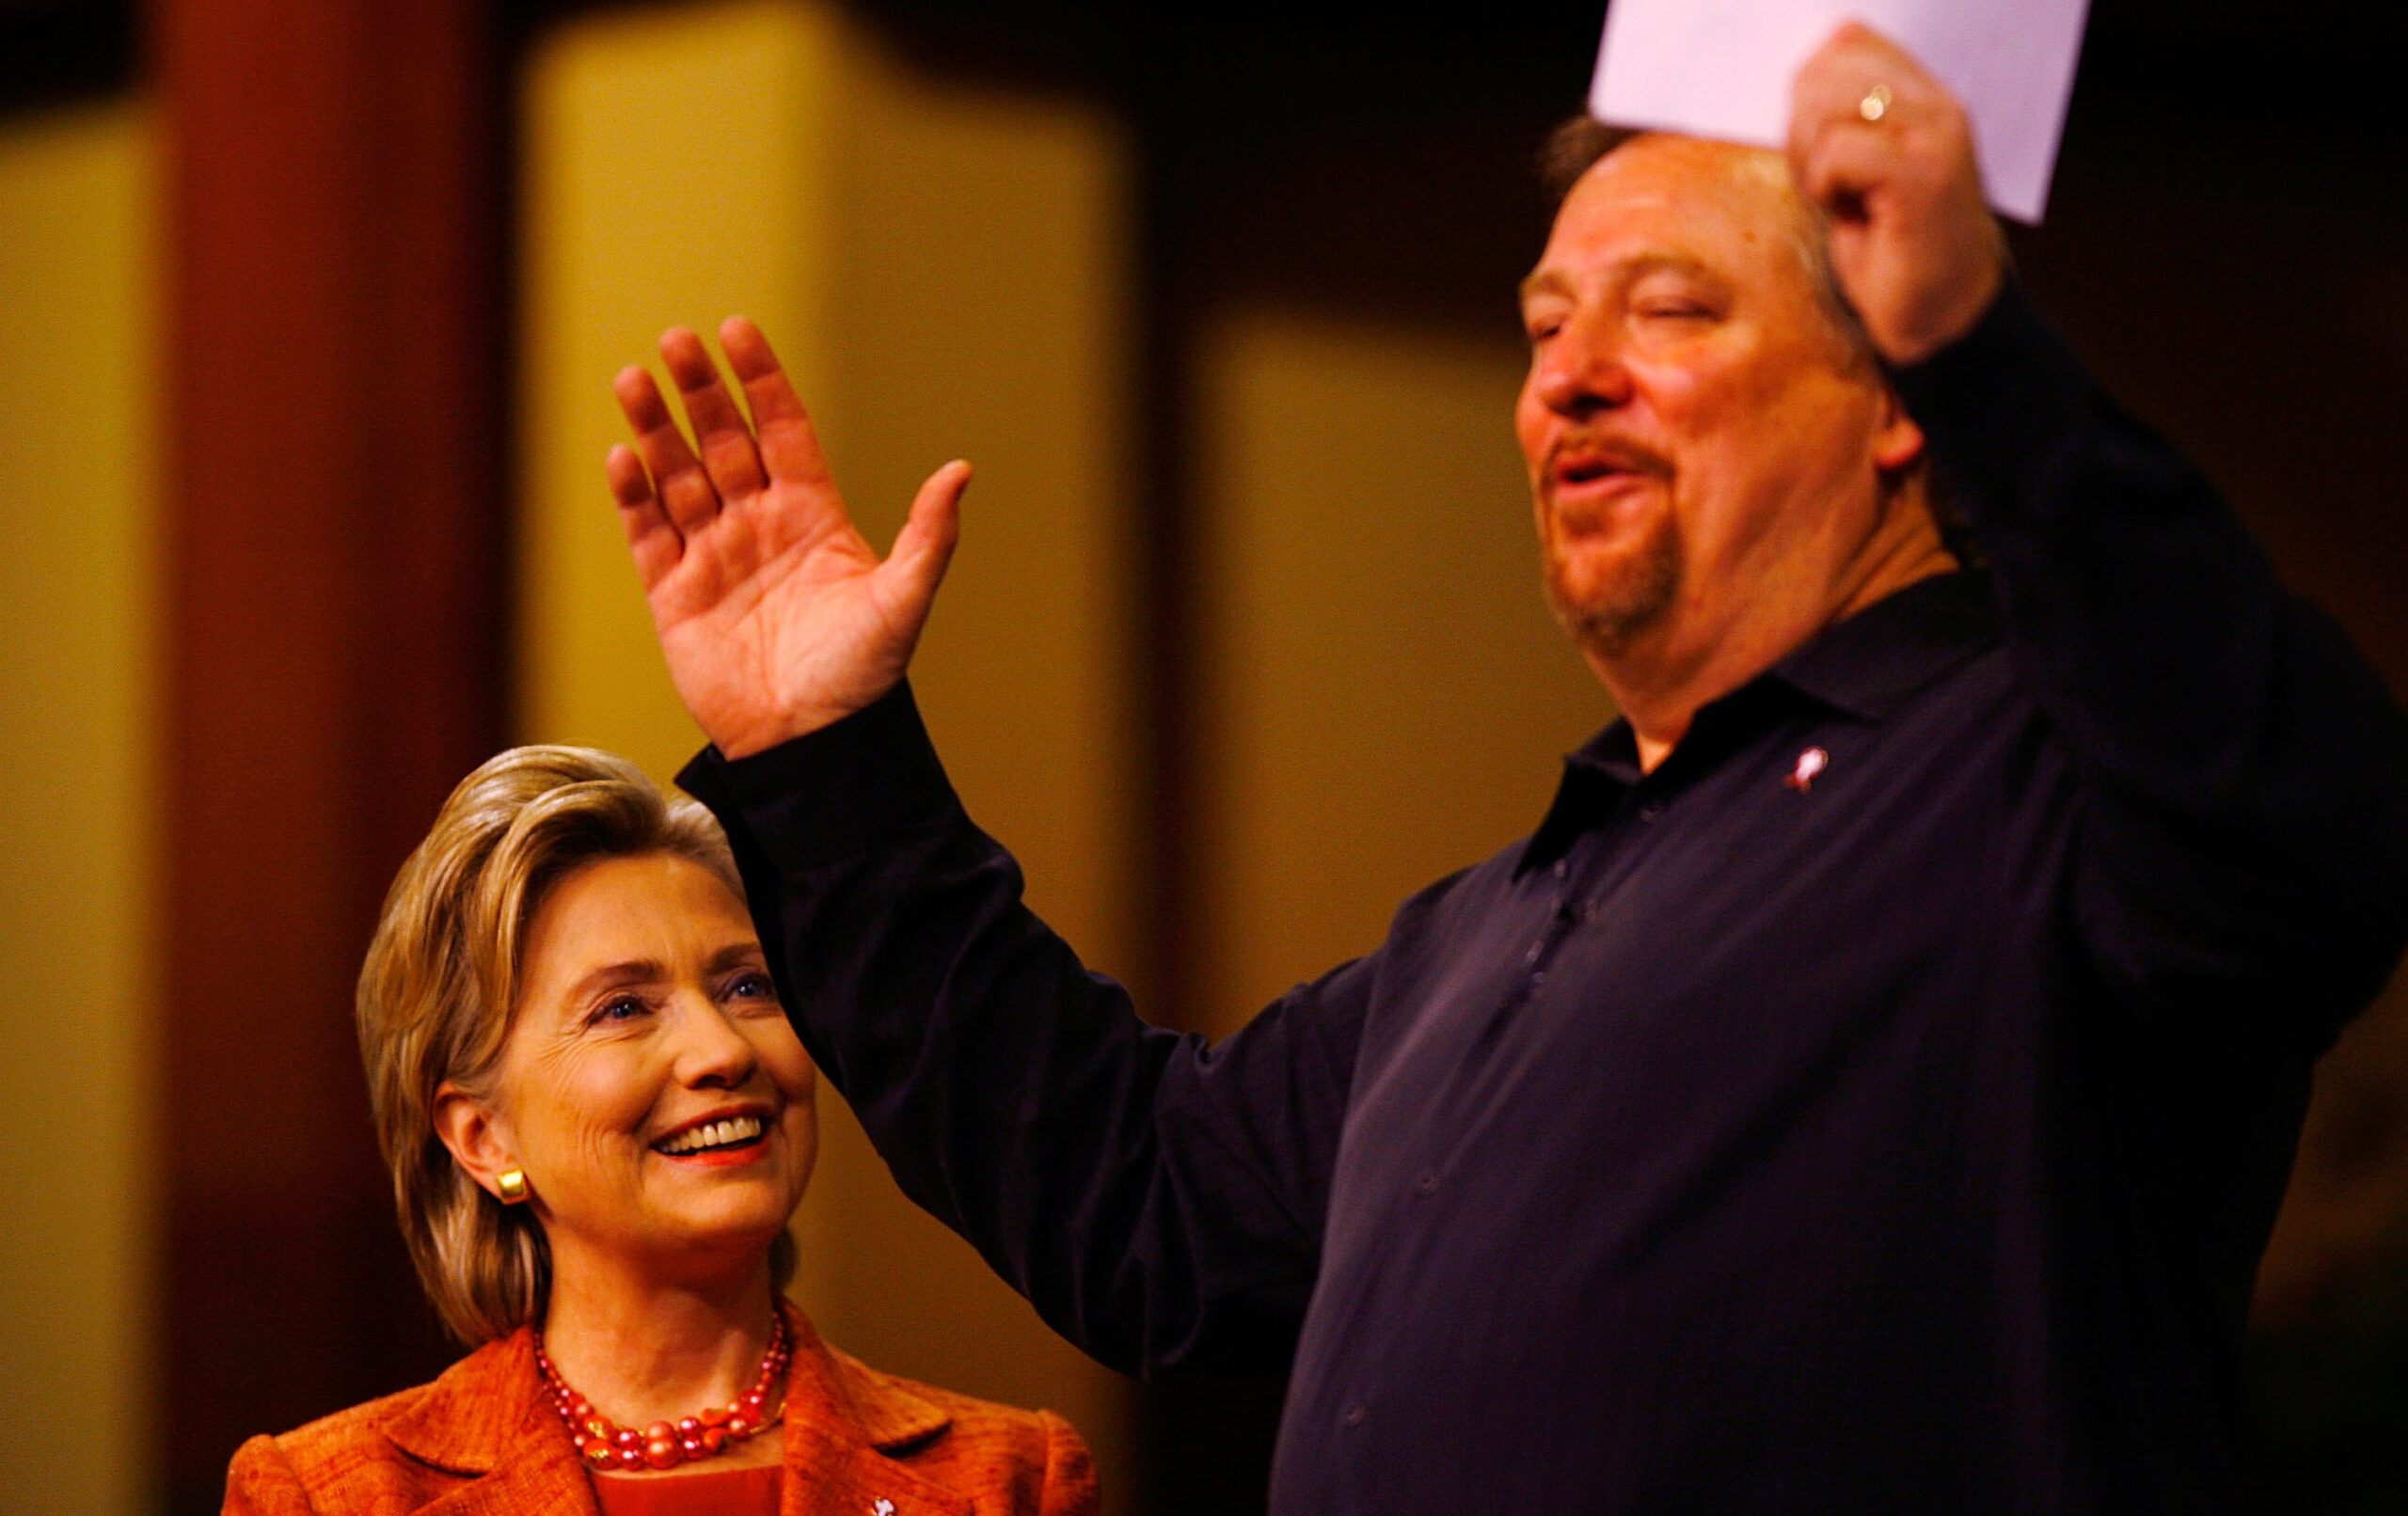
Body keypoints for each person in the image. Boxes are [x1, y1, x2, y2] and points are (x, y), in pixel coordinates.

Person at [601, 24, 2408, 1515]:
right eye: (1546, 331)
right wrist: (818, 753)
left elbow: (2308, 816)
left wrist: (1994, 352)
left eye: (1673, 313)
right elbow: (1132, 1199)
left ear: (1900, 395)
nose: (1570, 381)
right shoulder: (1484, 934)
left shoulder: (2050, 801)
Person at [222, 747, 1099, 1516]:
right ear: (482, 1137)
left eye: (747, 987)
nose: (720, 1050)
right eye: (624, 1008)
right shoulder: (327, 1496)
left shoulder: (1010, 1479)